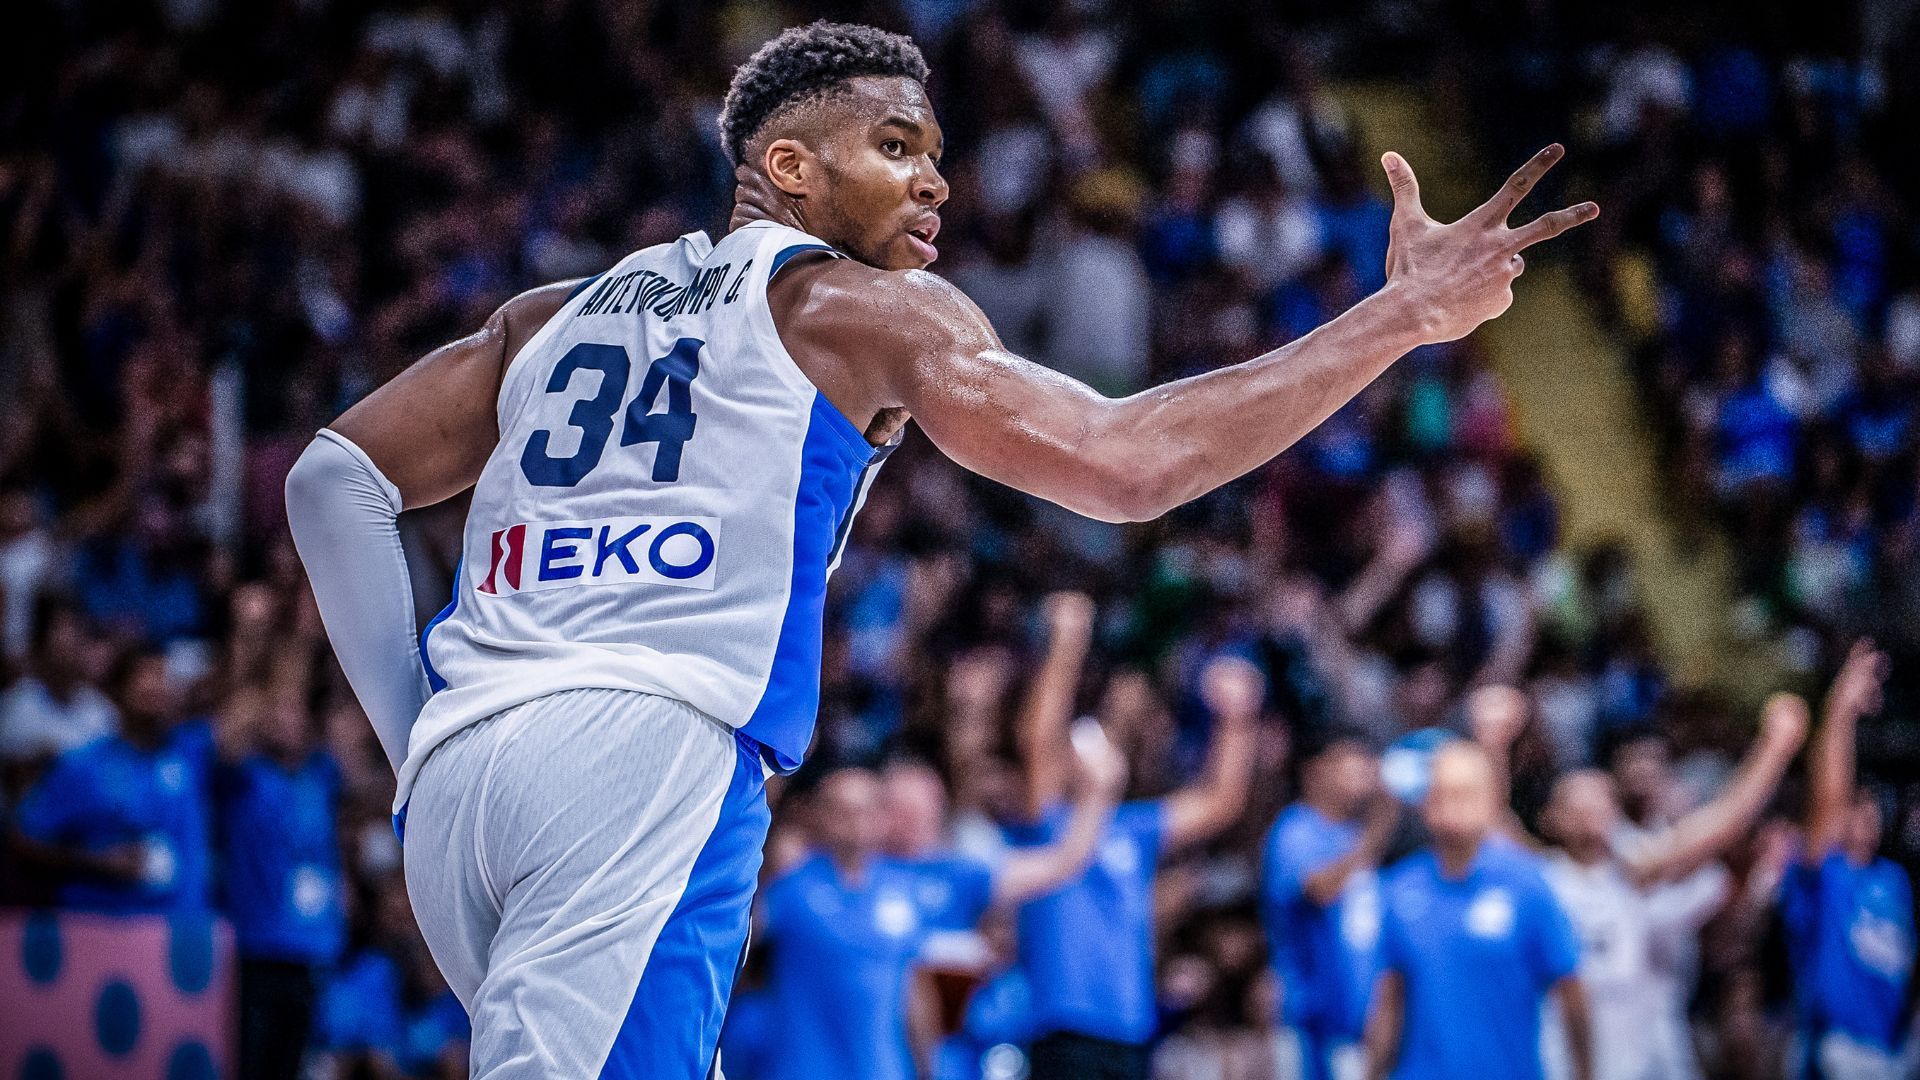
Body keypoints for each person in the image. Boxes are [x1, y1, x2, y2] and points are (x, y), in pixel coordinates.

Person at [283, 19, 1597, 1076]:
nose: (936, 182)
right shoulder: (857, 310)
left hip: (464, 790)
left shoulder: (548, 317)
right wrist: (1396, 319)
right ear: (788, 169)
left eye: (938, 154)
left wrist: (419, 738)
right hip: (644, 756)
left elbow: (333, 482)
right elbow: (1128, 462)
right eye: (897, 146)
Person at [757, 739, 1123, 1080]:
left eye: (929, 807)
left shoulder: (943, 877)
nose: (920, 819)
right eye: (905, 810)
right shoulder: (798, 879)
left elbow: (1061, 863)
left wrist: (1097, 793)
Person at [1010, 592, 1265, 1080]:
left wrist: (1237, 719)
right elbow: (1038, 741)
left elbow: (1220, 801)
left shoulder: (1133, 829)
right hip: (1063, 1029)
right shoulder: (1048, 822)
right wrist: (1066, 646)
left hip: (1130, 1032)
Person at [1537, 692, 1809, 1080]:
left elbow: (1722, 823)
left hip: (1634, 1057)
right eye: (1577, 802)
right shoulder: (1538, 877)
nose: (1590, 808)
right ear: (1552, 817)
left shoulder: (1633, 867)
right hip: (1559, 1058)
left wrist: (1774, 749)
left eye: (1600, 798)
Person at [1364, 741, 1591, 1080]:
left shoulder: (1528, 885)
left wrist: (1585, 1073)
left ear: (1492, 800)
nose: (1450, 807)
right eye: (1439, 793)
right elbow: (1389, 1000)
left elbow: (1570, 991)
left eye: (1464, 794)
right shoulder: (1400, 887)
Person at [1783, 640, 1911, 1079]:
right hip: (1833, 1048)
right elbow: (1830, 802)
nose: (1865, 816)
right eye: (1856, 807)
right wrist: (1840, 712)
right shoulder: (1825, 871)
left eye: (1871, 808)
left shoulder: (1894, 879)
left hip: (1892, 1050)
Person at [7, 646, 213, 912]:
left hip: (181, 929)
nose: (158, 686)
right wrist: (95, 861)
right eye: (147, 675)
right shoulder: (83, 765)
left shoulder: (193, 752)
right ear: (117, 691)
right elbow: (25, 841)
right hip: (99, 927)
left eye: (164, 677)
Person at [214, 685, 349, 1080]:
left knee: (294, 1065)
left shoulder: (321, 777)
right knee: (253, 1065)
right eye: (277, 712)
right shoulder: (245, 776)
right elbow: (227, 741)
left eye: (295, 712)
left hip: (312, 949)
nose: (287, 722)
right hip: (258, 949)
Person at [1262, 736, 1397, 1080]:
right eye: (1347, 764)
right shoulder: (1295, 828)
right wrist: (1377, 832)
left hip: (1358, 1024)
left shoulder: (1353, 833)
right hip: (1309, 1022)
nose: (1361, 775)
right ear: (1315, 771)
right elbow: (1320, 890)